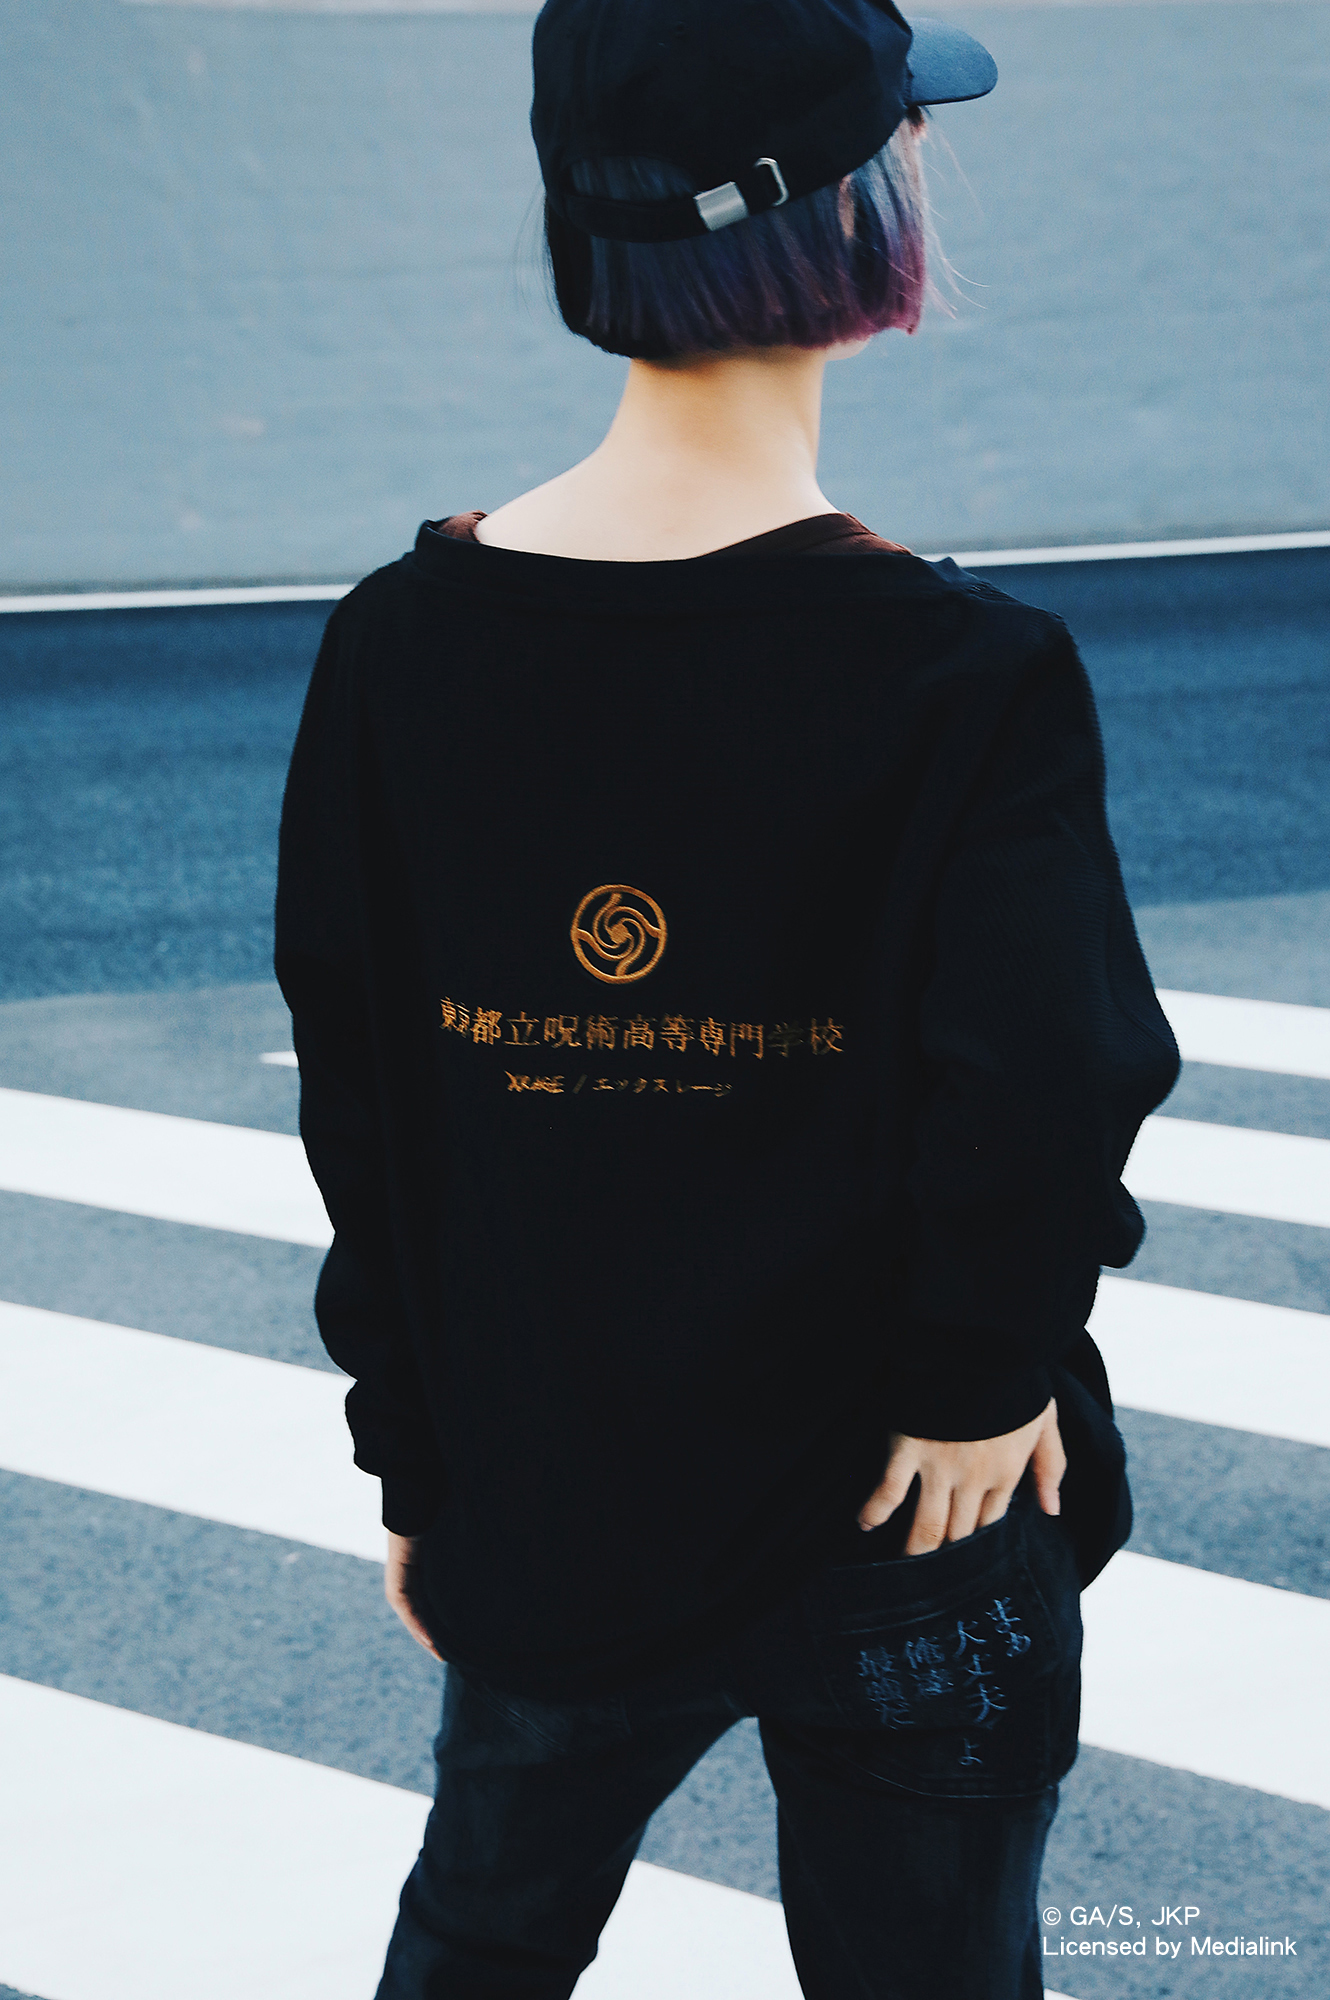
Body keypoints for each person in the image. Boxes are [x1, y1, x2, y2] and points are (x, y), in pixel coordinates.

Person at [274, 2, 1181, 1994]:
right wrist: (977, 1375)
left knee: (479, 1942)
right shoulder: (961, 674)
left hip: (550, 1495)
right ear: (858, 209)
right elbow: (1049, 1076)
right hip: (902, 1523)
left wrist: (416, 1455)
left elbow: (367, 1106)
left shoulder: (397, 649)